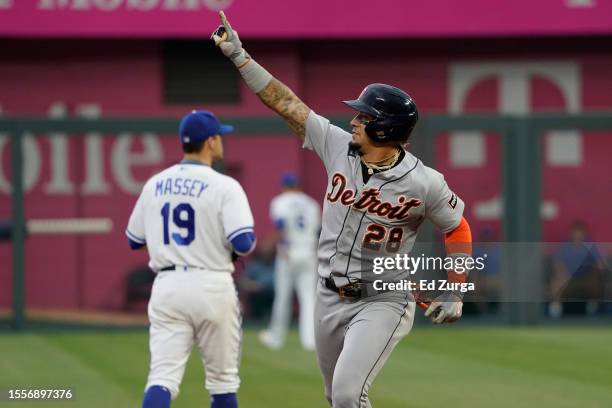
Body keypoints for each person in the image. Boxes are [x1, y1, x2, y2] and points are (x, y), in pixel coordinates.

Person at [212, 12, 472, 408]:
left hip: (382, 298)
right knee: (336, 398)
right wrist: (240, 57)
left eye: (364, 117)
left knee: (351, 395)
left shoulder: (424, 182)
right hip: (327, 294)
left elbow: (457, 228)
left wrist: (455, 290)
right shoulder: (337, 146)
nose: (352, 120)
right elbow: (287, 105)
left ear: (384, 130)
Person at [126, 110, 256, 408]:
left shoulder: (155, 183)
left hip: (168, 284)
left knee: (162, 379)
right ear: (210, 142)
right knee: (223, 383)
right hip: (212, 284)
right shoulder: (225, 185)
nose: (222, 140)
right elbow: (243, 242)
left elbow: (133, 239)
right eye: (219, 136)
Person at [259, 172, 321, 351]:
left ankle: (276, 338)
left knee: (283, 296)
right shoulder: (311, 203)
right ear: (298, 186)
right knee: (309, 298)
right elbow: (318, 230)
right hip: (309, 250)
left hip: (289, 250)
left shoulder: (280, 201)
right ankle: (310, 340)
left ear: (284, 186)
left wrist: (278, 244)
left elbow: (280, 226)